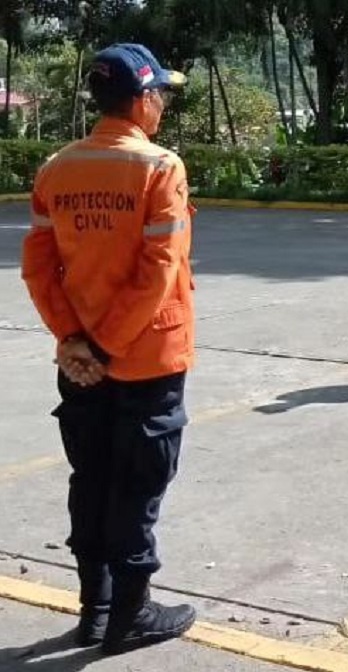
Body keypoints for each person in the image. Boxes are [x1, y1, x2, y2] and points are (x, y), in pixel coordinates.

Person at [21, 43, 196, 654]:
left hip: (80, 365)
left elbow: (39, 269)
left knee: (91, 477)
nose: (164, 109)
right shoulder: (158, 168)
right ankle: (130, 615)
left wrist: (73, 342)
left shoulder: (56, 168)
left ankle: (94, 610)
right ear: (143, 99)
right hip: (144, 359)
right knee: (138, 485)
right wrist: (105, 344)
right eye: (161, 98)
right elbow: (157, 270)